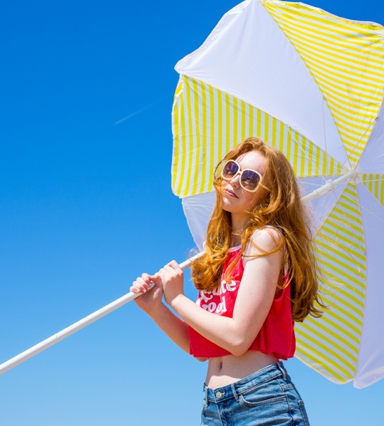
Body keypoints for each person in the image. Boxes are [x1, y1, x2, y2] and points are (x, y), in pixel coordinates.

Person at [131, 137, 323, 425]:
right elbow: (200, 347)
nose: (234, 180)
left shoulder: (265, 239)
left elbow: (237, 338)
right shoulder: (217, 256)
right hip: (213, 407)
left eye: (250, 179)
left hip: (262, 401)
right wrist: (156, 308)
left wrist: (178, 299)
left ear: (268, 195)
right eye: (232, 169)